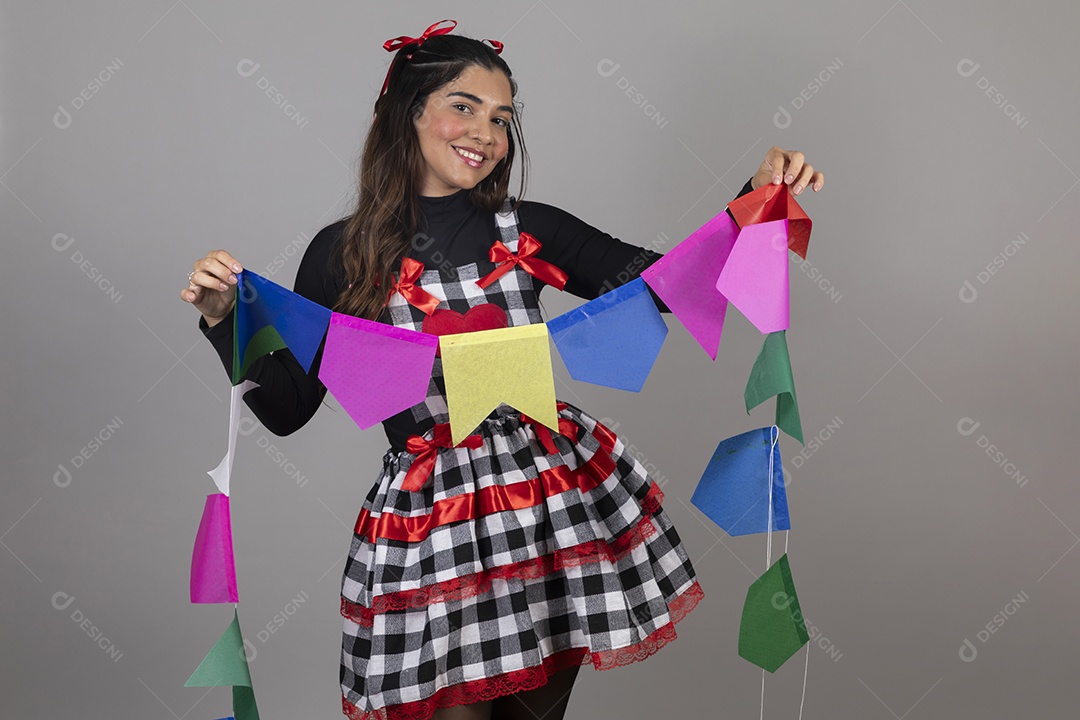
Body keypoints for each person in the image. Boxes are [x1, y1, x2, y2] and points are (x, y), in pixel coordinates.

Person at [180, 20, 824, 720]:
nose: (485, 132)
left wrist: (754, 197)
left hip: (547, 506)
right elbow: (286, 407)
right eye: (464, 106)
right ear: (407, 112)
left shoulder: (532, 229)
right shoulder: (342, 254)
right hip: (433, 525)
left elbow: (665, 283)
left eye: (502, 118)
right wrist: (224, 319)